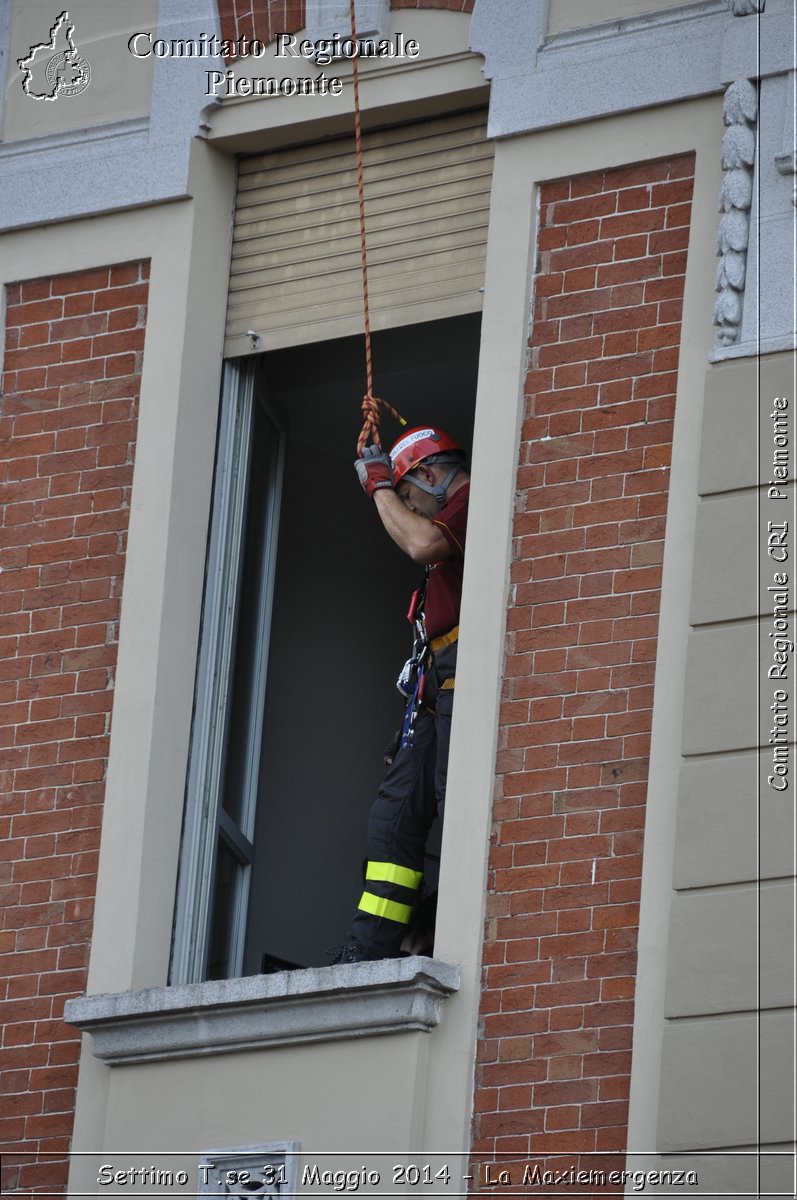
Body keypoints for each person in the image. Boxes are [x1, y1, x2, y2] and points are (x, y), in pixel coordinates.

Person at [335, 426, 470, 963]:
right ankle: (369, 952)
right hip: (434, 681)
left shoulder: (468, 500)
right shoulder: (446, 510)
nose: (411, 509)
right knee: (392, 824)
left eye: (412, 496)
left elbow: (420, 542)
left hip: (461, 672)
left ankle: (453, 935)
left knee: (457, 804)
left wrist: (380, 489)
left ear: (431, 475)